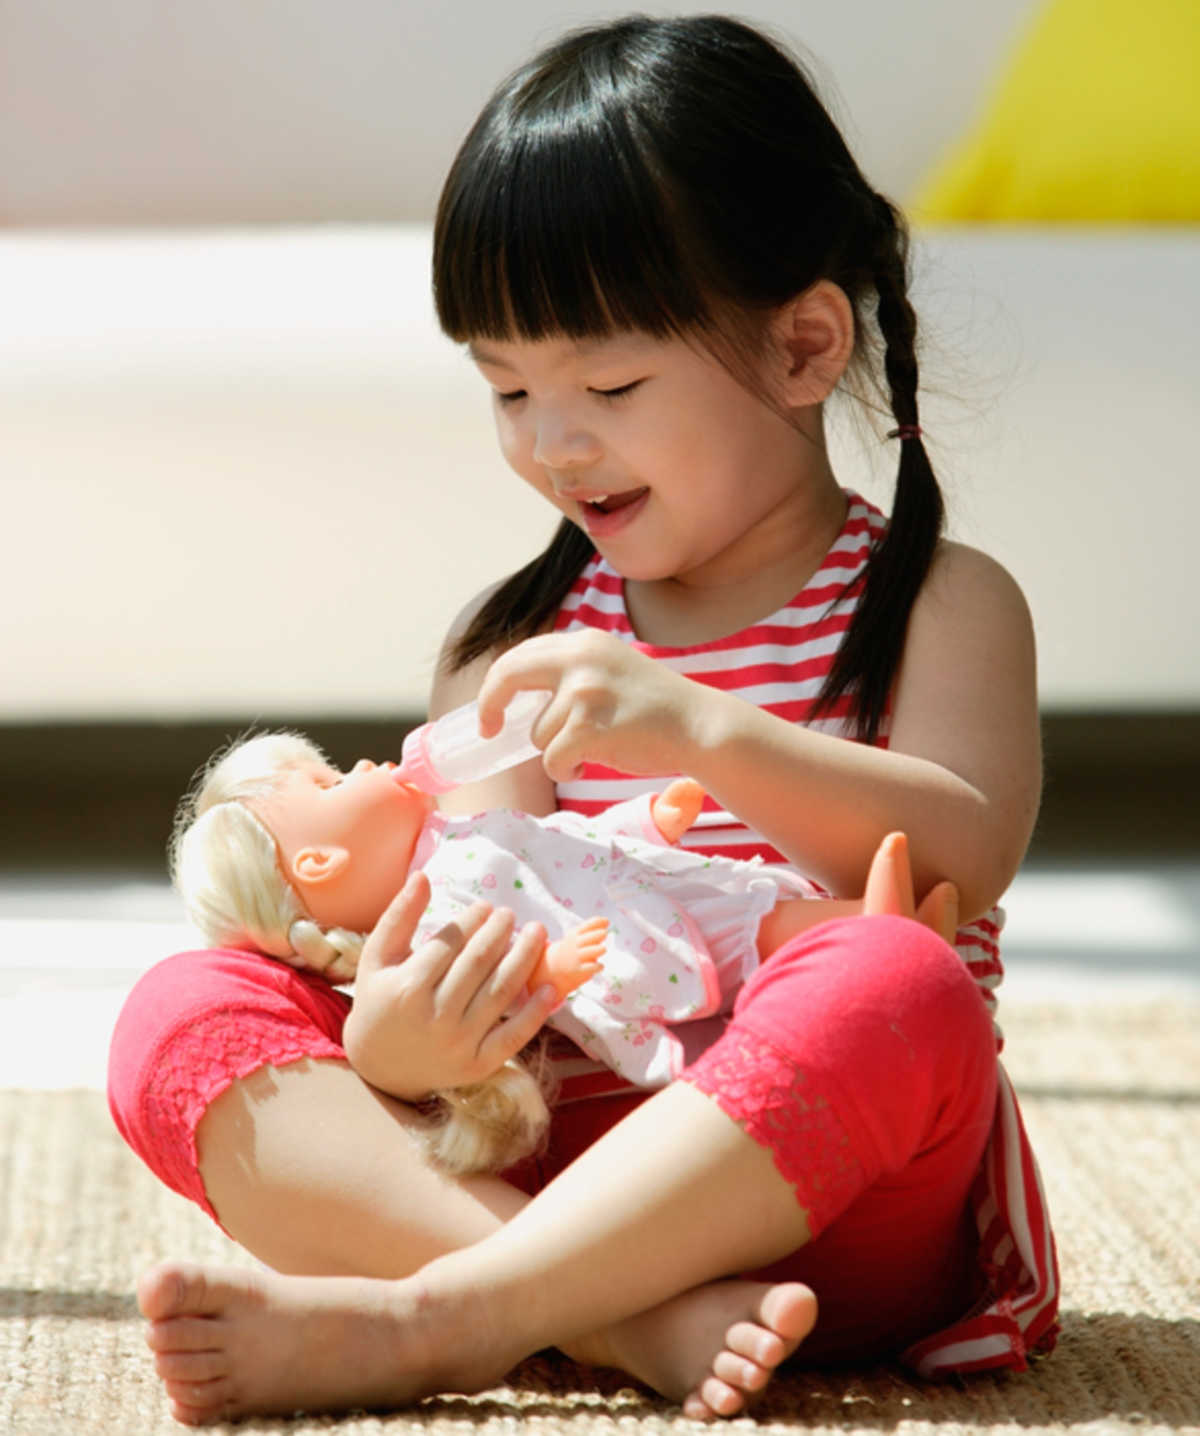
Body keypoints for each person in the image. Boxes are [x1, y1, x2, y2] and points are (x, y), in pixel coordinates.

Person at [110, 14, 1058, 1426]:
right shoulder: (508, 643)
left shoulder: (939, 601)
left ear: (803, 345)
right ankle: (621, 1325)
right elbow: (442, 919)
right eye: (506, 387)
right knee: (179, 1011)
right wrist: (401, 1047)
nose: (551, 444)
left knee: (895, 982)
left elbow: (965, 853)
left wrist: (698, 729)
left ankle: (441, 1320)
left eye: (608, 386)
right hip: (541, 1163)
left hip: (829, 1186)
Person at [170, 729, 954, 1173]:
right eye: (331, 780)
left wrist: (646, 820)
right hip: (631, 948)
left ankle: (870, 930)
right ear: (317, 865)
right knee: (749, 940)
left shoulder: (457, 842)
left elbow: (561, 845)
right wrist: (549, 973)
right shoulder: (432, 910)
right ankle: (876, 942)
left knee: (751, 905)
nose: (368, 767)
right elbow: (495, 979)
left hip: (644, 893)